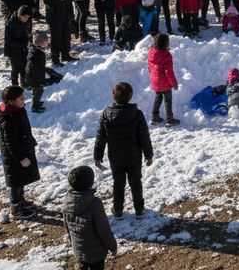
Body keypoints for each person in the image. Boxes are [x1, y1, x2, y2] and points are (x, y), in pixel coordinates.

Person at [94, 82, 154, 220]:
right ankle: (139, 209)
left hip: (116, 158)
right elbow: (144, 136)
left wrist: (97, 156)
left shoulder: (106, 114)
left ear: (113, 96)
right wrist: (148, 155)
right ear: (131, 96)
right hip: (134, 157)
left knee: (118, 183)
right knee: (135, 182)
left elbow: (100, 137)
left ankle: (118, 210)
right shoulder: (137, 114)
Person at [0, 85, 40, 219]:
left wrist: (30, 140)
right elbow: (11, 142)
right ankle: (15, 207)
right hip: (13, 156)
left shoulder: (19, 110)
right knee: (15, 181)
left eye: (24, 98)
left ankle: (20, 200)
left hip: (23, 149)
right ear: (11, 101)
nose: (24, 100)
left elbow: (24, 129)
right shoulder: (9, 118)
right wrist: (21, 158)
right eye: (21, 99)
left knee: (21, 178)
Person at [62, 166, 118, 270]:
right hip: (96, 254)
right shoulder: (95, 204)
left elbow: (68, 228)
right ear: (90, 184)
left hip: (79, 250)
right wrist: (113, 247)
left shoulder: (66, 202)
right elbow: (104, 230)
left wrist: (75, 245)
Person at [42, 0, 76, 66]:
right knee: (56, 38)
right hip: (55, 16)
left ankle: (65, 55)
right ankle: (55, 59)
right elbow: (46, 0)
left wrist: (71, 12)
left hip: (66, 14)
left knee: (66, 36)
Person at [26, 31, 64, 112]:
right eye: (46, 42)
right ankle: (35, 107)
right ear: (41, 43)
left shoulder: (34, 51)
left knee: (39, 90)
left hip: (32, 75)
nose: (47, 43)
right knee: (38, 90)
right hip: (34, 77)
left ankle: (37, 102)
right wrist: (41, 79)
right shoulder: (39, 54)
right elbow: (37, 68)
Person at [148, 34, 180, 126]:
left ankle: (155, 117)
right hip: (165, 83)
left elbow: (150, 67)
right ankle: (170, 119)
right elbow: (169, 72)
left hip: (155, 81)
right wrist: (174, 84)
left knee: (157, 99)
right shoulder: (166, 55)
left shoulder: (151, 52)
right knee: (168, 100)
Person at [4, 6, 33, 87]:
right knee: (16, 68)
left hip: (23, 48)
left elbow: (28, 32)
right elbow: (8, 40)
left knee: (25, 65)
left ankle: (24, 81)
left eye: (28, 17)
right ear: (19, 16)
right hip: (13, 50)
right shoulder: (10, 23)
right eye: (25, 17)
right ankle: (15, 85)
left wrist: (29, 39)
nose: (26, 19)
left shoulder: (26, 22)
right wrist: (22, 44)